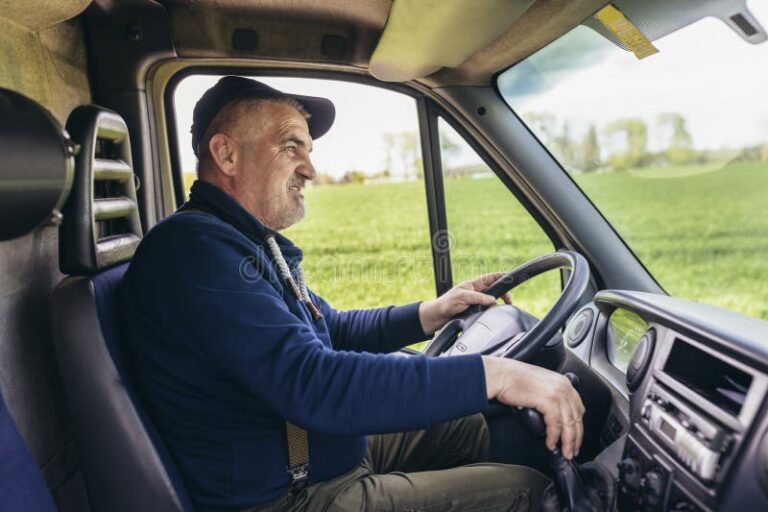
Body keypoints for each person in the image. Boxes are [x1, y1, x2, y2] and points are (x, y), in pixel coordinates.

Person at [121, 76, 585, 512]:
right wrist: (497, 374)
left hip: (317, 449)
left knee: (471, 428)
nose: (310, 169)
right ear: (226, 156)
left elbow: (331, 329)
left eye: (308, 150)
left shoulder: (243, 241)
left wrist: (433, 312)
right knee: (529, 492)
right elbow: (315, 382)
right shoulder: (194, 252)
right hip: (291, 495)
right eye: (290, 147)